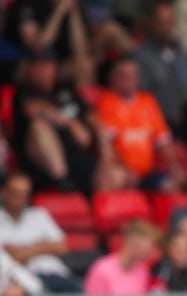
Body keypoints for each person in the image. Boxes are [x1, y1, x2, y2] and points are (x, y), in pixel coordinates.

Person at [13, 49, 114, 194]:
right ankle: (63, 180)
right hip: (45, 168)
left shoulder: (66, 88)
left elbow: (92, 117)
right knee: (39, 126)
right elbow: (33, 109)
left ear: (54, 67)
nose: (42, 71)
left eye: (47, 65)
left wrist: (106, 152)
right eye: (37, 66)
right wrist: (72, 125)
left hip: (81, 159)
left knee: (121, 176)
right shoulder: (24, 92)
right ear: (29, 69)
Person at [95, 55, 187, 191]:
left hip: (148, 172)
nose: (128, 80)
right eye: (123, 76)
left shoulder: (148, 101)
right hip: (123, 171)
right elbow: (106, 146)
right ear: (113, 78)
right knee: (115, 178)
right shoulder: (106, 102)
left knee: (175, 186)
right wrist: (125, 169)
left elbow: (163, 141)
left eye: (132, 76)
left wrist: (175, 168)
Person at [0, 172, 82, 293]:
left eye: (25, 194)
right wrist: (43, 245)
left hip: (57, 274)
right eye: (16, 193)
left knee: (88, 294)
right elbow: (9, 257)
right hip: (23, 281)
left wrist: (23, 251)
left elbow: (62, 247)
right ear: (4, 192)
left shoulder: (39, 215)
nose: (20, 199)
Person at [82, 219, 160, 296]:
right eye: (151, 244)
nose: (152, 250)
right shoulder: (102, 269)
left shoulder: (143, 272)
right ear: (135, 242)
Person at [132, 0, 187, 132]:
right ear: (153, 24)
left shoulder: (185, 56)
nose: (166, 27)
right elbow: (140, 96)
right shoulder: (141, 57)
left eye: (169, 21)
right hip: (155, 127)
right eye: (161, 22)